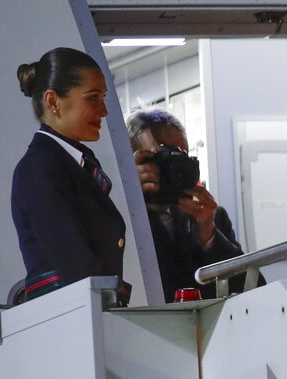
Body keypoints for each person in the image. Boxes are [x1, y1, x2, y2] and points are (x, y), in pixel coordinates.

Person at [12, 47, 128, 303]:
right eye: (92, 98)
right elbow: (76, 267)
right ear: (53, 101)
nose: (104, 111)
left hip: (83, 318)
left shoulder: (68, 163)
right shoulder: (40, 167)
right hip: (71, 324)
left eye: (104, 97)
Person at [126, 108, 247, 302]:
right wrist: (128, 196)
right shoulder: (120, 221)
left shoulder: (213, 218)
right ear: (136, 161)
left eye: (181, 157)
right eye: (165, 156)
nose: (175, 167)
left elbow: (249, 288)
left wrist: (209, 236)